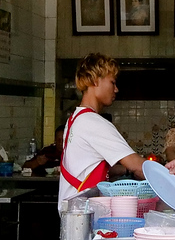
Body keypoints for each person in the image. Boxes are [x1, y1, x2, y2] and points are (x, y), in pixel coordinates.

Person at [59, 53, 146, 204]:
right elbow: (137, 166)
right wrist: (172, 178)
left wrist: (124, 170)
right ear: (94, 80)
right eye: (112, 82)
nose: (116, 89)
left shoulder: (75, 119)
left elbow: (87, 169)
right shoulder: (93, 122)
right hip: (82, 211)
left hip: (73, 210)